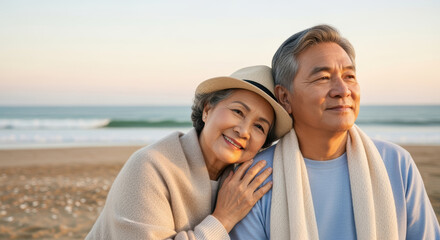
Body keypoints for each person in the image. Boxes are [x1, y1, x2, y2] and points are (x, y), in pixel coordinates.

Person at [230, 25, 440, 239]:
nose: (343, 91)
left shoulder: (396, 164)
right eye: (322, 78)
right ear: (284, 98)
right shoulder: (255, 178)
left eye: (349, 76)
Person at [85, 65, 292, 239]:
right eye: (238, 112)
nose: (244, 131)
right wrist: (223, 219)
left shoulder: (242, 183)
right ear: (207, 109)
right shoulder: (151, 166)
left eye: (259, 127)